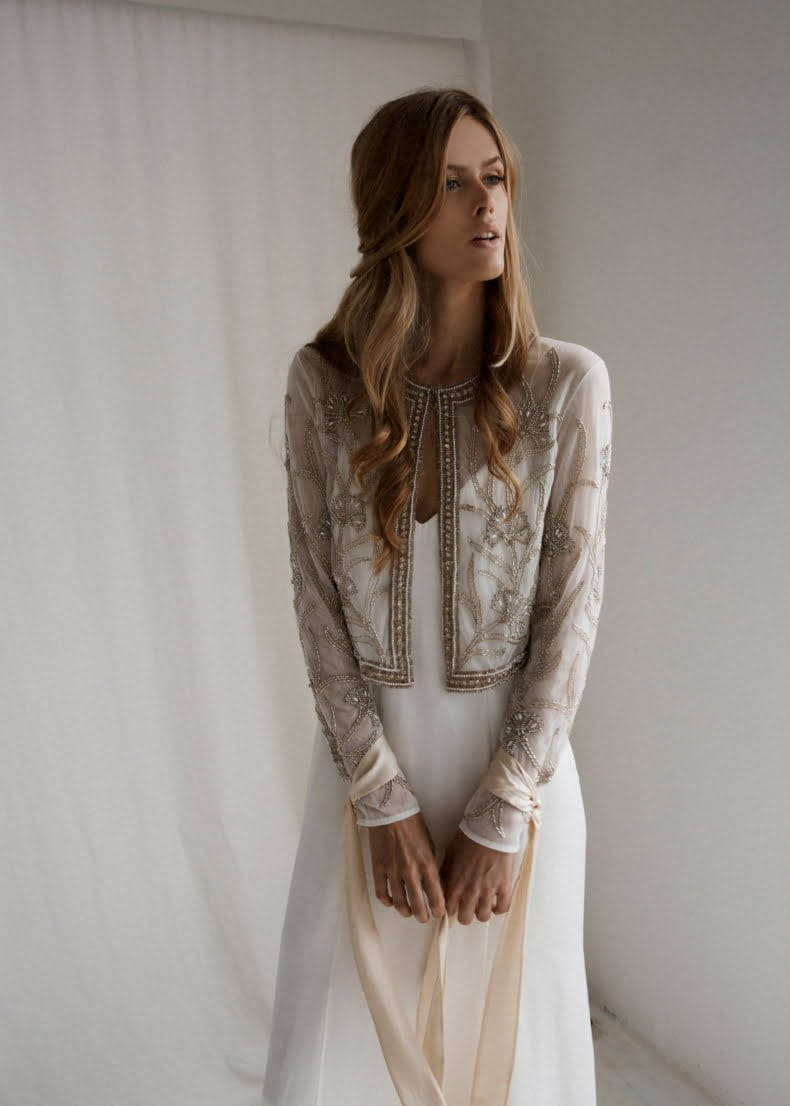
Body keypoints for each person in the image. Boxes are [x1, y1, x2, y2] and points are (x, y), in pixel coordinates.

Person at [263, 86, 613, 1106]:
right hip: (367, 771)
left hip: (519, 778)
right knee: (329, 1036)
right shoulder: (324, 386)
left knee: (512, 1053)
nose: (484, 204)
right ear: (395, 209)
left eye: (494, 178)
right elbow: (315, 602)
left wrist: (505, 808)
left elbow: (571, 612)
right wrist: (379, 797)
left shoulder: (566, 386)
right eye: (451, 183)